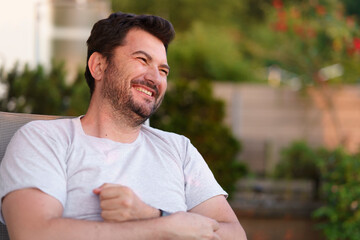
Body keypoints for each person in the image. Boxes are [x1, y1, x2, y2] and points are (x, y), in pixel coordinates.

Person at [0, 12, 247, 240]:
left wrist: (151, 215)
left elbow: (235, 234)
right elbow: (33, 233)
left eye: (163, 70)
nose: (155, 78)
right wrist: (162, 228)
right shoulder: (44, 139)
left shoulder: (178, 150)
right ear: (98, 66)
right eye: (142, 59)